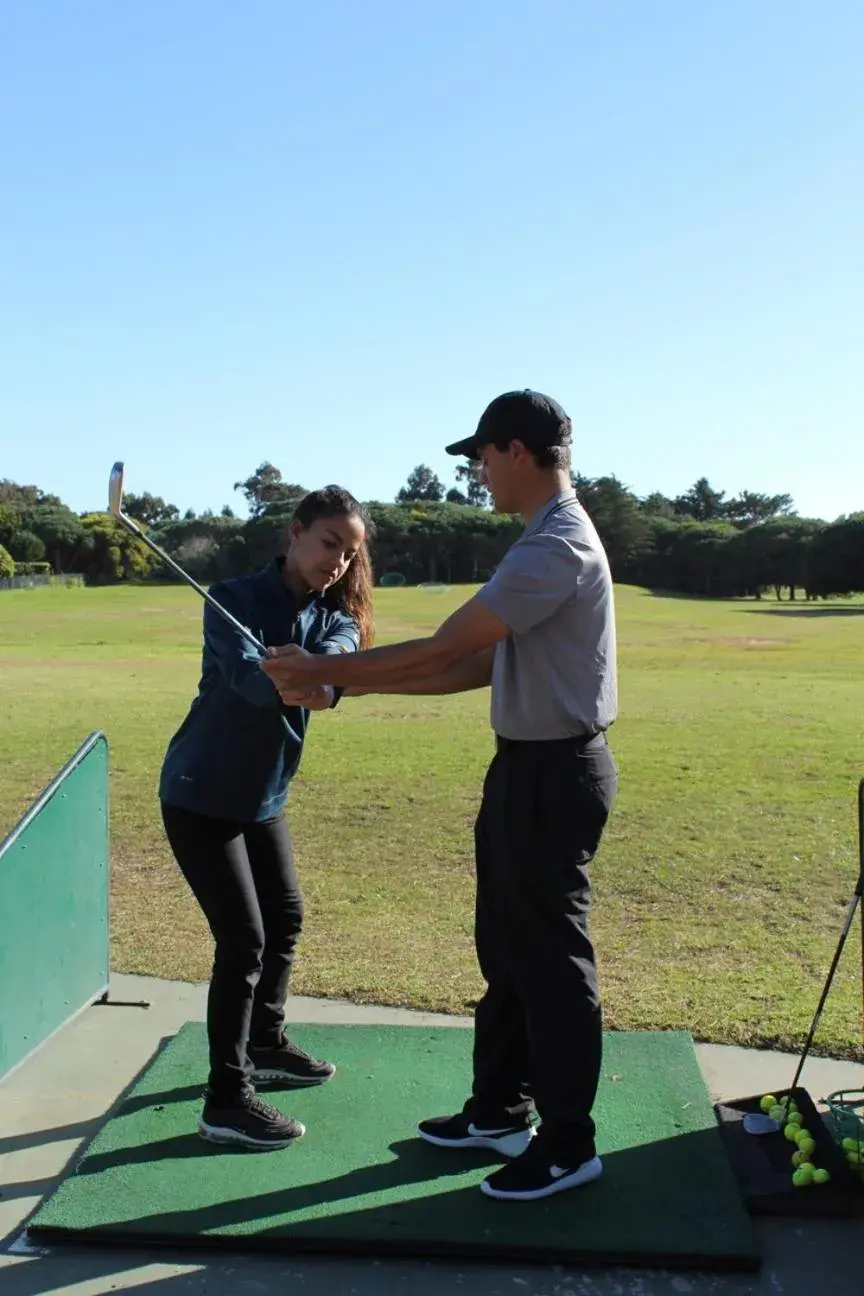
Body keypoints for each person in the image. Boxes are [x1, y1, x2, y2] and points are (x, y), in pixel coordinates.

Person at [263, 390, 618, 1201]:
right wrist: (346, 688)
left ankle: (569, 1142)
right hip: (524, 766)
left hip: (556, 773)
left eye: (484, 457)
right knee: (505, 946)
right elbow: (475, 666)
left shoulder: (555, 548)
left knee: (553, 964)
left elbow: (447, 645)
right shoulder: (539, 541)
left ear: (517, 453)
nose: (480, 472)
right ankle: (501, 1110)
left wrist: (322, 669)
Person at [159, 485, 374, 1151]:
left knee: (285, 918)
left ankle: (266, 1040)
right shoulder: (232, 598)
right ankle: (225, 1100)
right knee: (244, 940)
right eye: (329, 544)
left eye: (349, 552)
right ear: (295, 533)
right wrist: (298, 674)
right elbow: (258, 687)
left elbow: (344, 647)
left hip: (262, 798)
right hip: (202, 795)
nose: (337, 562)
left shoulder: (329, 613)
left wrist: (323, 674)